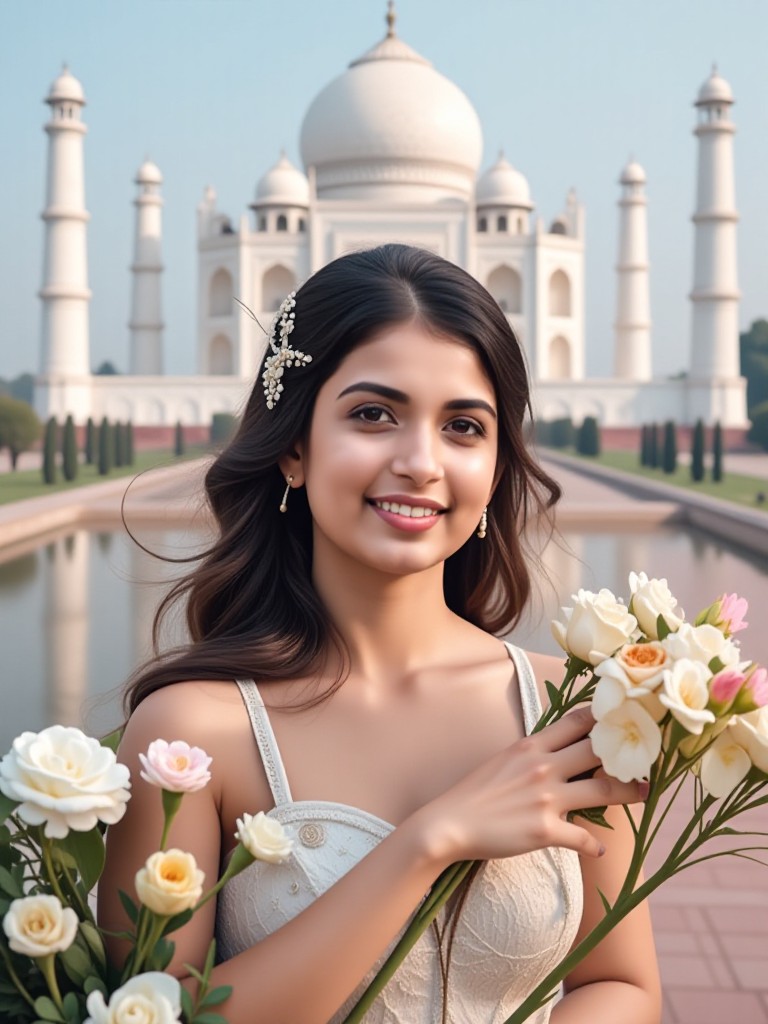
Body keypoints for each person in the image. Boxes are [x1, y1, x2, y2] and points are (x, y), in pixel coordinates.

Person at [100, 244, 662, 1023]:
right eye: (373, 414)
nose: (420, 462)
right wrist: (429, 842)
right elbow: (158, 1012)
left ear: (497, 468)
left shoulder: (571, 707)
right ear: (294, 447)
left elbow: (620, 983)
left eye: (463, 426)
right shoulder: (192, 736)